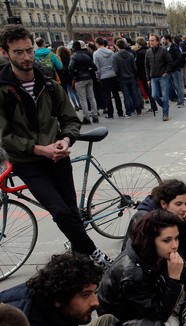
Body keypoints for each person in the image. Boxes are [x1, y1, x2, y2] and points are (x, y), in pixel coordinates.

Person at [0, 25, 112, 265]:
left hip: (58, 156)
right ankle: (94, 253)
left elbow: (70, 119)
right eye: (18, 52)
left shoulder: (49, 84)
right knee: (59, 211)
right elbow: (3, 135)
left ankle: (81, 260)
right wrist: (38, 149)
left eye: (29, 50)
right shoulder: (3, 90)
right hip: (28, 161)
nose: (27, 57)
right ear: (5, 53)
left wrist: (65, 140)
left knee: (71, 211)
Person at [0, 252, 114, 326]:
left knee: (107, 320)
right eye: (85, 295)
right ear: (59, 298)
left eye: (94, 292)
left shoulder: (43, 295)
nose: (96, 302)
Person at [122, 179, 186, 271]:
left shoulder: (177, 214)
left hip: (175, 253)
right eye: (178, 204)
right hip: (153, 264)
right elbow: (149, 255)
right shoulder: (146, 219)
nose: (184, 208)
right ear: (163, 204)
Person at [93, 37, 125, 119]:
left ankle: (110, 113)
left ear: (97, 43)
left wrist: (98, 77)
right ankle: (120, 112)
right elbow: (114, 63)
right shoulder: (111, 52)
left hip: (104, 76)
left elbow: (97, 67)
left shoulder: (96, 54)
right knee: (116, 94)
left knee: (107, 96)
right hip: (113, 74)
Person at [68, 40, 99, 125]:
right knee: (91, 97)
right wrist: (88, 70)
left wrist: (75, 73)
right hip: (88, 77)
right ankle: (95, 116)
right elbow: (94, 67)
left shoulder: (74, 56)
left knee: (83, 99)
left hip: (79, 79)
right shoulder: (86, 56)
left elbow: (70, 68)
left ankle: (86, 117)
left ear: (74, 48)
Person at [112, 38, 142, 117]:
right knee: (134, 94)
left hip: (122, 78)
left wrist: (118, 77)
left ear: (117, 46)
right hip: (131, 76)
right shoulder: (130, 55)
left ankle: (129, 111)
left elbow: (116, 69)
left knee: (126, 95)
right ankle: (138, 110)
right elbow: (134, 67)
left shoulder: (115, 56)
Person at [145, 34, 172, 121]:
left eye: (152, 40)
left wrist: (166, 72)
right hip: (153, 76)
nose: (150, 42)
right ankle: (165, 105)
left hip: (162, 76)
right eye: (149, 40)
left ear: (157, 41)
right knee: (154, 95)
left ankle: (165, 113)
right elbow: (146, 65)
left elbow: (169, 62)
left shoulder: (163, 50)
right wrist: (148, 78)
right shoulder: (148, 52)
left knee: (165, 95)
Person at [163, 34, 185, 109]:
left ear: (167, 39)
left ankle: (181, 100)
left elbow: (179, 57)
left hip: (175, 69)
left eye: (164, 39)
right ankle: (177, 98)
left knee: (178, 85)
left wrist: (173, 65)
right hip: (170, 69)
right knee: (173, 85)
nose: (163, 41)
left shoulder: (174, 47)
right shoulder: (166, 48)